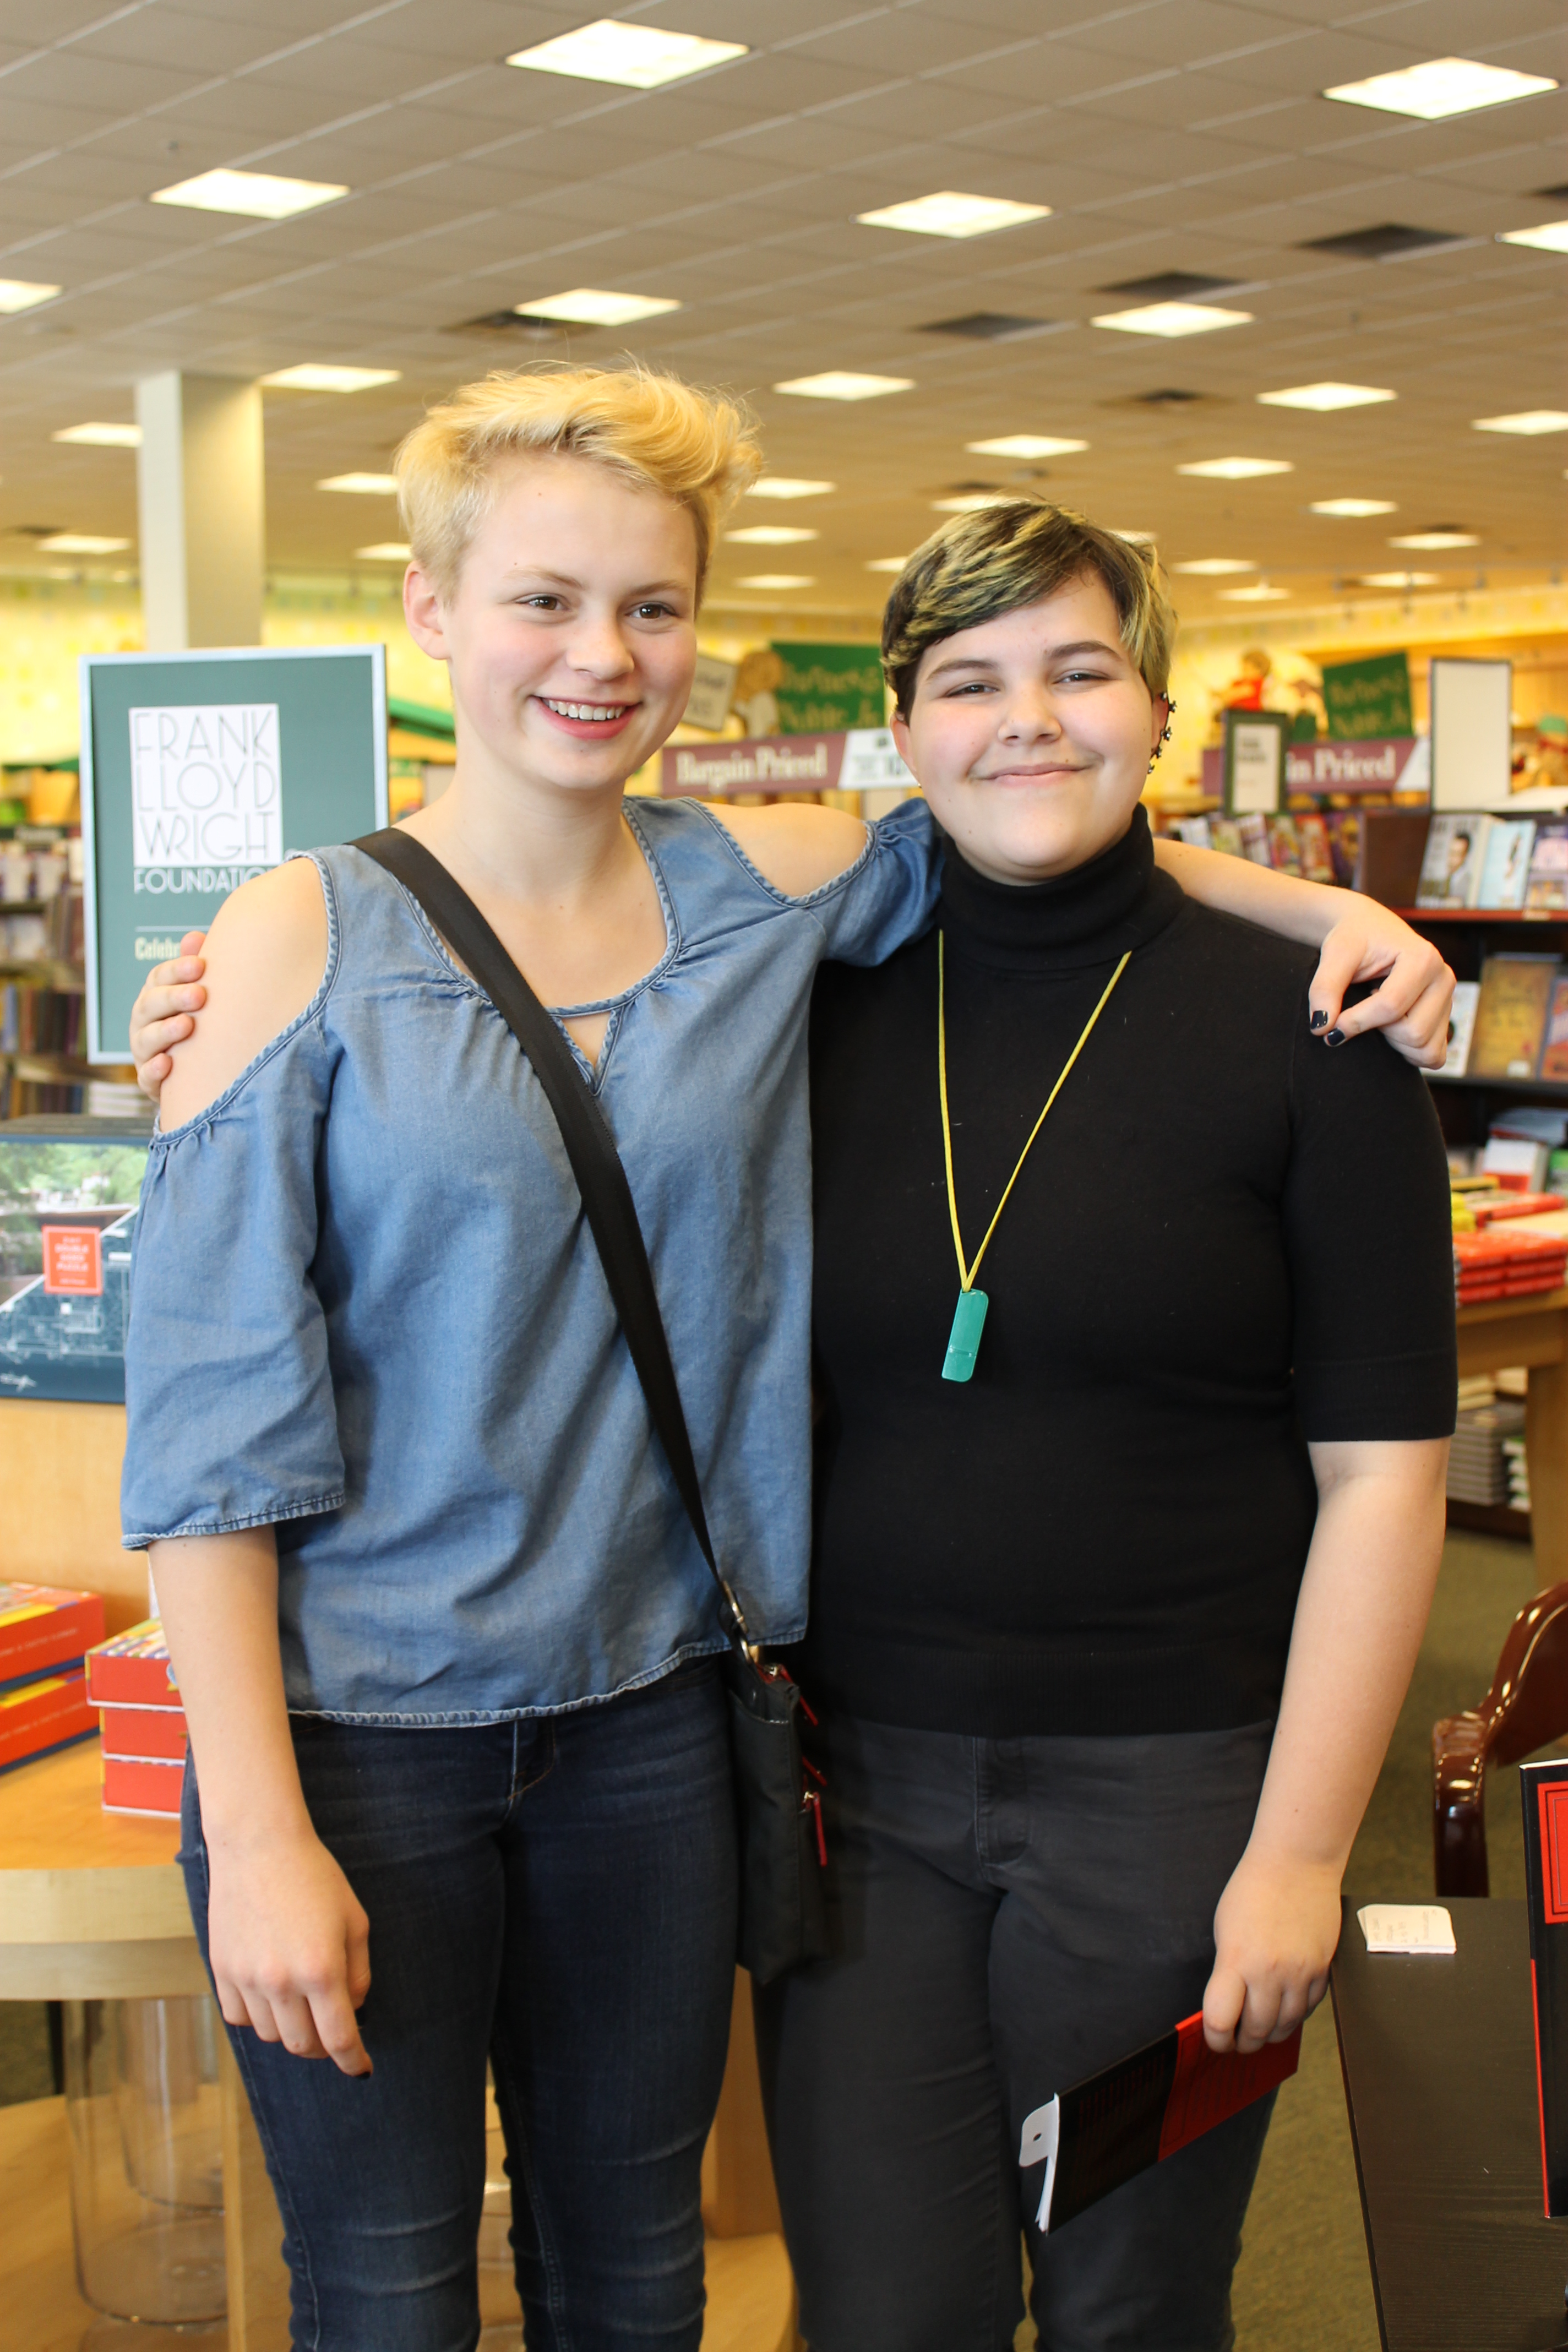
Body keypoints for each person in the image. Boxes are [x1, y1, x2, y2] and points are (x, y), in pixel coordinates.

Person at [122, 367, 1453, 2352]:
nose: (601, 655)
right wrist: (252, 1830)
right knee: (398, 2293)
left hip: (666, 1723)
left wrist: (1337, 903)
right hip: (381, 1731)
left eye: (652, 607)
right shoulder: (297, 945)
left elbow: (1050, 833)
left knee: (655, 2273)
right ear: (431, 611)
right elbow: (212, 1438)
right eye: (545, 601)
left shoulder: (763, 894)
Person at [755, 500, 1456, 2352]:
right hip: (859, 1797)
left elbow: (1386, 1482)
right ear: (902, 730)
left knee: (1130, 2302)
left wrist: (1299, 1856)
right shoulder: (802, 1004)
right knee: (880, 2313)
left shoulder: (1317, 1027)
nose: (1028, 720)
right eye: (970, 680)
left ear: (1160, 710)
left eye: (1080, 671)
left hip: (1178, 1802)